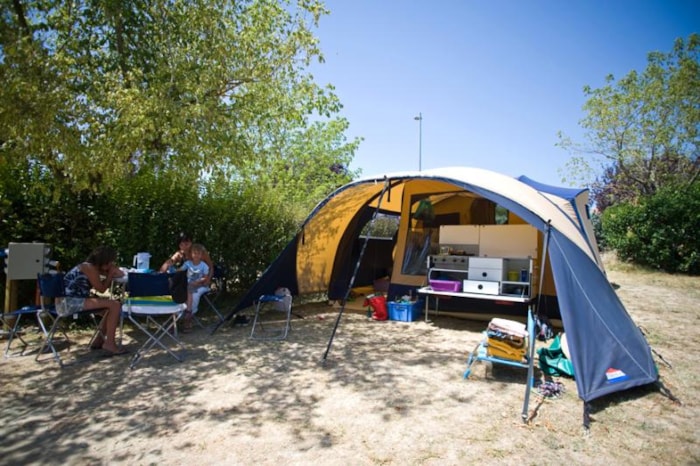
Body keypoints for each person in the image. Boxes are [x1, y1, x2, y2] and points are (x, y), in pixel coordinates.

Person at [63, 246, 127, 355]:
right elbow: (101, 289)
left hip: (73, 300)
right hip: (68, 303)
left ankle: (99, 340)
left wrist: (112, 272)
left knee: (109, 309)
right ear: (105, 260)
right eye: (110, 262)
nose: (111, 264)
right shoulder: (89, 268)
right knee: (115, 305)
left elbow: (120, 274)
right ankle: (110, 344)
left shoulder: (91, 267)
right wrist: (111, 274)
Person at [179, 243, 210, 332]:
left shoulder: (204, 265)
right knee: (185, 291)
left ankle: (189, 314)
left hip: (201, 284)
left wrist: (198, 281)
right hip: (190, 285)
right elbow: (181, 269)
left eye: (198, 253)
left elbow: (205, 277)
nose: (196, 255)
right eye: (195, 253)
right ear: (191, 254)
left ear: (201, 255)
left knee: (194, 293)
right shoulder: (188, 263)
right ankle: (184, 316)